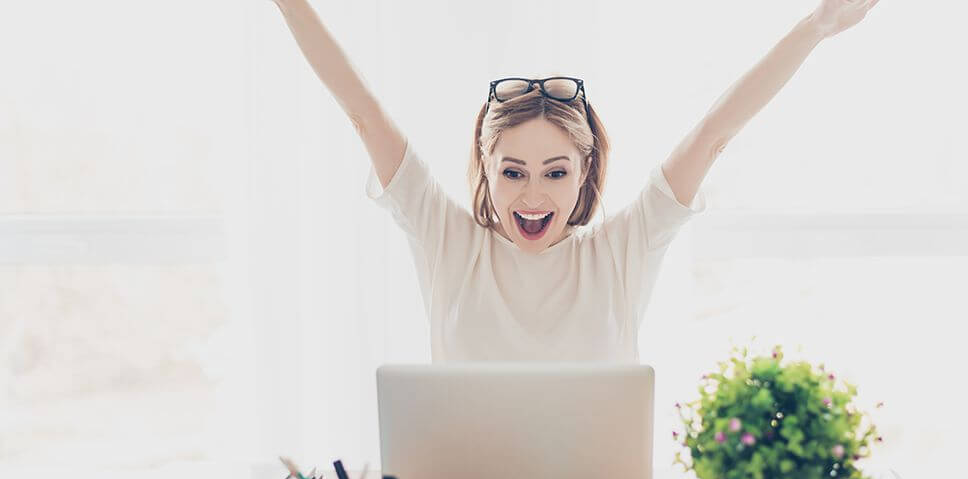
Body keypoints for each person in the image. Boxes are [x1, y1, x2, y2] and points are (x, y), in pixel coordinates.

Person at [269, 0, 882, 362]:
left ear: (585, 172)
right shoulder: (444, 239)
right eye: (512, 173)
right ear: (485, 169)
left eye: (555, 173)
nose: (533, 196)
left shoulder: (626, 246)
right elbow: (362, 111)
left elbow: (713, 135)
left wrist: (816, 27)